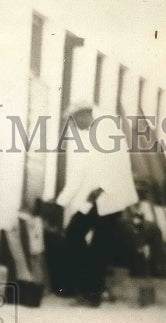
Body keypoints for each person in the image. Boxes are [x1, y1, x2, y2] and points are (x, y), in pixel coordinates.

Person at [56, 101, 140, 306]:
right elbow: (80, 173)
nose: (74, 125)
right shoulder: (88, 137)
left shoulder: (107, 129)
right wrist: (61, 201)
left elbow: (119, 163)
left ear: (85, 114)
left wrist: (101, 188)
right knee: (74, 234)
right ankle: (89, 288)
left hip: (111, 199)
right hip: (95, 199)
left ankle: (92, 294)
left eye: (74, 120)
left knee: (98, 246)